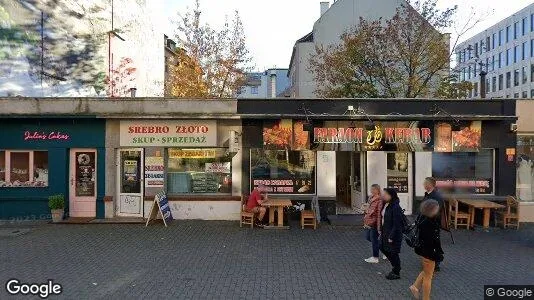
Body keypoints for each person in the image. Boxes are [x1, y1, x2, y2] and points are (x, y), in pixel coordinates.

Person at [409, 199, 444, 300]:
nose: (438, 210)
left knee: (427, 271)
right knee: (428, 277)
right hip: (429, 253)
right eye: (437, 208)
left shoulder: (424, 218)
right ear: (432, 210)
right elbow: (431, 241)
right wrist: (436, 253)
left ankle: (415, 286)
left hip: (424, 251)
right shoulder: (428, 224)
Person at [380, 188, 404, 280]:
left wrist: (391, 236)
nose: (383, 195)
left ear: (391, 195)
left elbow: (397, 224)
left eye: (385, 194)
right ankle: (395, 267)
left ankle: (396, 271)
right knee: (382, 247)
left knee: (393, 252)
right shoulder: (386, 204)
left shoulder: (396, 207)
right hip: (385, 231)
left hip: (393, 235)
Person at [422, 177, 445, 272]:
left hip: (432, 224)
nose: (423, 185)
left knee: (434, 243)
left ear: (430, 185)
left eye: (425, 183)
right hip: (426, 223)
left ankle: (436, 263)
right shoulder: (428, 194)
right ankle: (429, 260)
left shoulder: (436, 196)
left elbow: (435, 211)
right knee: (428, 243)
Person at [363, 184, 383, 263]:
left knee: (374, 239)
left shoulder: (380, 200)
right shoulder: (370, 198)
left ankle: (375, 257)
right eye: (371, 189)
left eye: (373, 189)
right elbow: (368, 209)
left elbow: (379, 214)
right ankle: (384, 250)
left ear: (377, 190)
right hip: (369, 221)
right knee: (368, 237)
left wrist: (379, 227)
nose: (371, 191)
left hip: (374, 222)